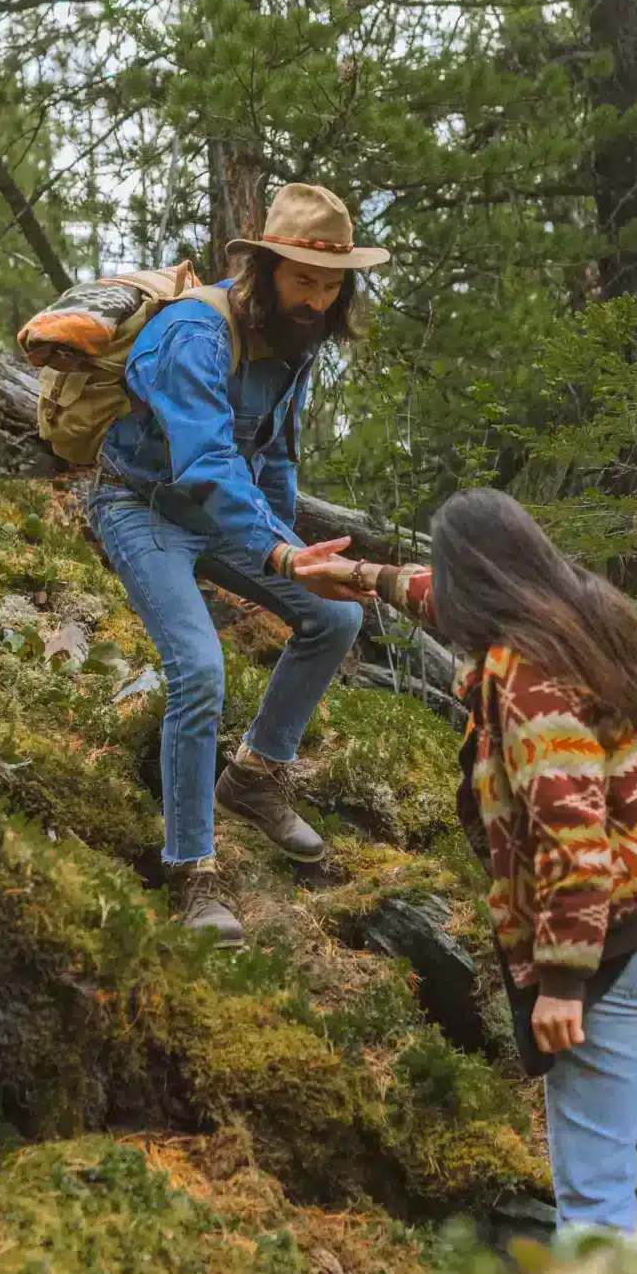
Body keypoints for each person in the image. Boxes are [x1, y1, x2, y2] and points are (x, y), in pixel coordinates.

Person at [296, 488, 637, 1233]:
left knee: (592, 1192)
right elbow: (435, 598)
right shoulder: (568, 611)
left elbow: (573, 839)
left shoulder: (528, 678)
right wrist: (360, 577)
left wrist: (563, 984)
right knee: (612, 1073)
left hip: (621, 935)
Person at [82, 183, 388, 946]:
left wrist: (292, 552)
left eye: (330, 284)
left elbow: (273, 456)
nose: (317, 299)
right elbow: (208, 460)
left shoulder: (294, 341)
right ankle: (193, 871)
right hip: (141, 505)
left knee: (333, 616)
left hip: (217, 516)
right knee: (198, 670)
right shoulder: (196, 334)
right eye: (304, 280)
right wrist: (278, 552)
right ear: (264, 270)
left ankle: (252, 779)